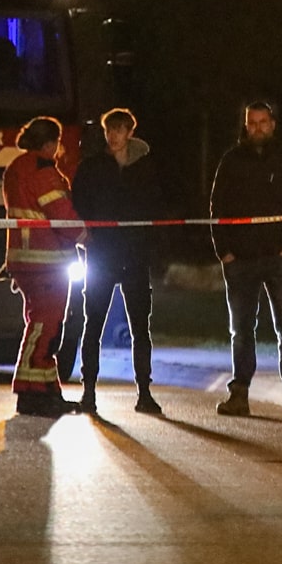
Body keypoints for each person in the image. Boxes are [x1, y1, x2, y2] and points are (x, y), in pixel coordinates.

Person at [210, 99, 282, 417]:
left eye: (262, 122)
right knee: (241, 330)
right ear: (246, 125)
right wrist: (225, 252)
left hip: (279, 257)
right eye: (251, 122)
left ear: (273, 124)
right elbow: (218, 208)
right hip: (240, 260)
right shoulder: (231, 161)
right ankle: (240, 394)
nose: (257, 128)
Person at [69, 107, 165, 416]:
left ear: (129, 132)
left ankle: (144, 392)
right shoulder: (93, 167)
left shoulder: (146, 168)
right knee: (93, 323)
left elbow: (156, 207)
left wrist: (149, 246)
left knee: (140, 327)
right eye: (109, 130)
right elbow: (79, 202)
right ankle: (89, 392)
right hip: (102, 254)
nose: (112, 136)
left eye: (119, 130)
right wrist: (87, 236)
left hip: (135, 256)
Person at [1, 116, 82, 417]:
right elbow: (61, 213)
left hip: (24, 260)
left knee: (45, 325)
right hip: (46, 260)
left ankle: (48, 390)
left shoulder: (16, 168)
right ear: (50, 144)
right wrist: (87, 234)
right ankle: (29, 392)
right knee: (45, 326)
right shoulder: (43, 172)